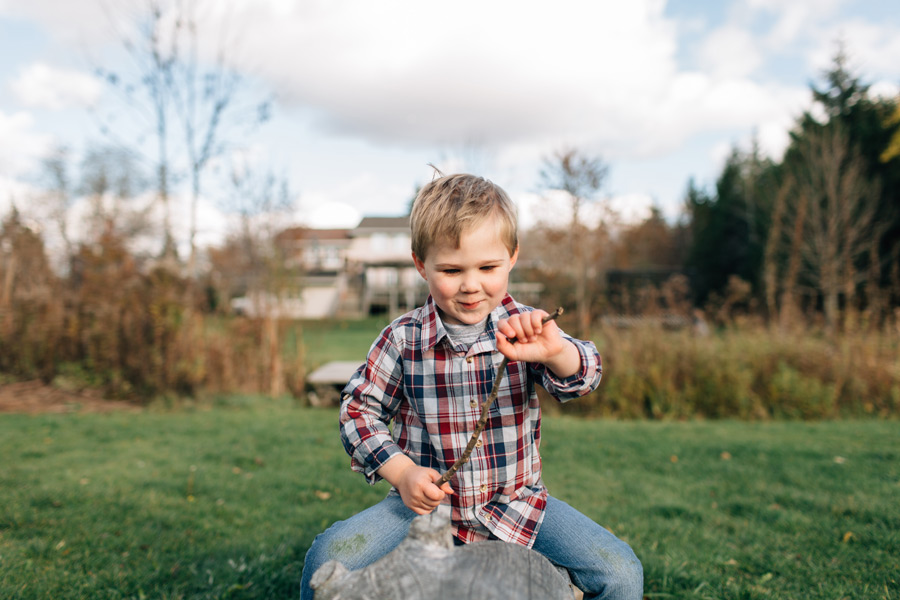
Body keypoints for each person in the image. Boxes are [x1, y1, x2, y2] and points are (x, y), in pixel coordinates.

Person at [300, 173, 642, 600]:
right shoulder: (402, 339)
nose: (471, 285)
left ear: (512, 257)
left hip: (517, 504)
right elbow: (358, 410)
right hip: (421, 510)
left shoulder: (527, 329)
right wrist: (402, 473)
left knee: (621, 572)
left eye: (488, 267)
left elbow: (584, 375)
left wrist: (557, 353)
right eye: (451, 269)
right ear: (421, 264)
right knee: (328, 558)